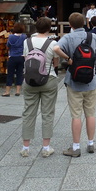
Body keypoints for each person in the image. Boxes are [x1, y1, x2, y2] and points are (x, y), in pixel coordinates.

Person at [53, 12, 96, 157]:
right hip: (91, 80)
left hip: (74, 81)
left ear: (70, 25)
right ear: (84, 24)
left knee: (76, 115)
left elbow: (55, 49)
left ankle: (76, 147)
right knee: (90, 114)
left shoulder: (68, 37)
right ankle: (91, 144)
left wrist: (68, 58)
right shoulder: (93, 36)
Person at [20, 17, 59, 158]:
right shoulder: (52, 43)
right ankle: (46, 147)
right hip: (48, 79)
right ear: (49, 28)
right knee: (47, 113)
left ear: (36, 27)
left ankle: (25, 147)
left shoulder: (27, 41)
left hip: (30, 80)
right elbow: (55, 63)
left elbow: (26, 59)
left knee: (28, 112)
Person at [3, 21, 27, 97]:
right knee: (19, 73)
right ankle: (18, 91)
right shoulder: (24, 37)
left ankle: (7, 91)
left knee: (10, 74)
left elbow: (8, 45)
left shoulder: (11, 37)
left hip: (12, 57)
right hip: (21, 57)